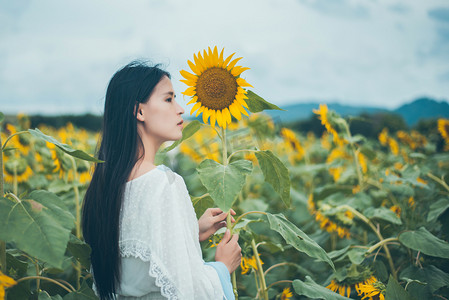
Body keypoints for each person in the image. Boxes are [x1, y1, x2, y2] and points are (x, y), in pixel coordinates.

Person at [81, 61, 242, 300]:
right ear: (140, 111)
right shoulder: (164, 184)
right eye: (168, 99)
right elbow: (189, 292)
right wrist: (222, 268)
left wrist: (189, 232)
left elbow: (136, 267)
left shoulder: (106, 184)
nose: (180, 109)